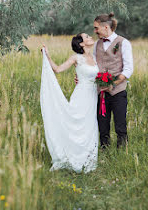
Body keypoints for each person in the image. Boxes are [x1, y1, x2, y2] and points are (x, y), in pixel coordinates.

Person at [40, 33, 99, 173]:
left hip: (93, 97)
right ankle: (70, 156)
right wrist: (47, 55)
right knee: (75, 124)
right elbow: (58, 69)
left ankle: (88, 159)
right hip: (81, 95)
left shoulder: (94, 58)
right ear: (81, 43)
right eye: (87, 37)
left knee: (89, 126)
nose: (90, 37)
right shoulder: (76, 58)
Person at [93, 12, 133, 149]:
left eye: (96, 28)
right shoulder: (96, 45)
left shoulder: (123, 43)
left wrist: (112, 84)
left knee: (120, 125)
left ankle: (122, 153)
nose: (95, 31)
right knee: (102, 125)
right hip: (100, 93)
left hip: (118, 92)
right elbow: (92, 66)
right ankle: (105, 151)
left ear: (105, 27)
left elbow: (128, 70)